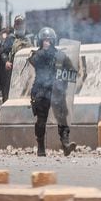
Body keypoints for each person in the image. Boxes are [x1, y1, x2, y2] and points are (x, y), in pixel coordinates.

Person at [29, 27, 77, 157]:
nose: (47, 43)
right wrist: (45, 51)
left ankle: (65, 144)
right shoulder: (37, 55)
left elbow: (72, 72)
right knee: (41, 120)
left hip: (57, 90)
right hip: (40, 90)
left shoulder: (61, 56)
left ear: (53, 41)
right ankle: (40, 147)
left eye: (49, 40)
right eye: (44, 40)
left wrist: (63, 82)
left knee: (62, 118)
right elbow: (35, 61)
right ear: (40, 42)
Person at [4, 15, 34, 94]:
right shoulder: (10, 38)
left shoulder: (30, 38)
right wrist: (6, 62)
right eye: (17, 23)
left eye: (21, 23)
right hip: (14, 71)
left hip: (27, 70)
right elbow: (3, 52)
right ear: (14, 25)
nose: (19, 25)